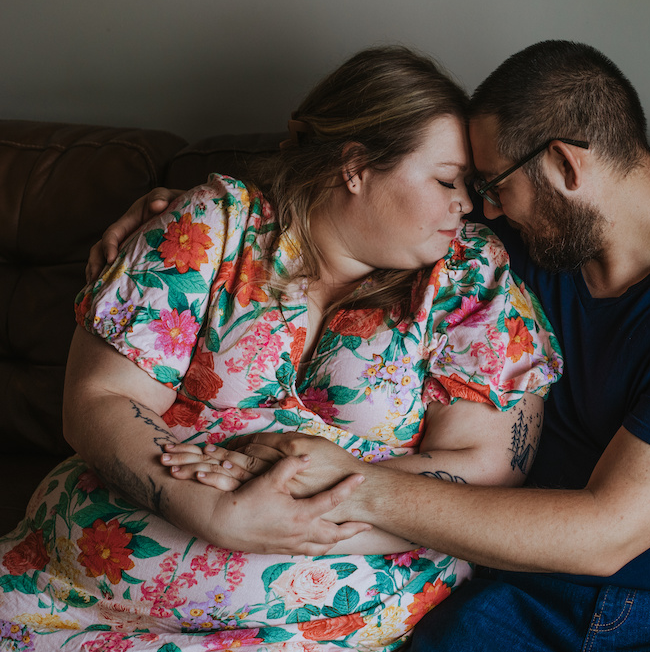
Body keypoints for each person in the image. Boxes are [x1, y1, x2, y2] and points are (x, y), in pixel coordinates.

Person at [85, 40, 650, 651]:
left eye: (493, 186)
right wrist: (168, 211)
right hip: (525, 599)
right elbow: (352, 198)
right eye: (468, 187)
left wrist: (352, 481)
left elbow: (604, 533)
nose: (477, 210)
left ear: (564, 166)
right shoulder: (527, 250)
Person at [0, 47, 563, 651]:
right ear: (356, 167)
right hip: (73, 590)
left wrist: (286, 494)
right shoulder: (214, 225)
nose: (468, 205)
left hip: (319, 620)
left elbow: (484, 470)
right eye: (447, 181)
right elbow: (100, 398)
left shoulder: (469, 276)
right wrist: (215, 512)